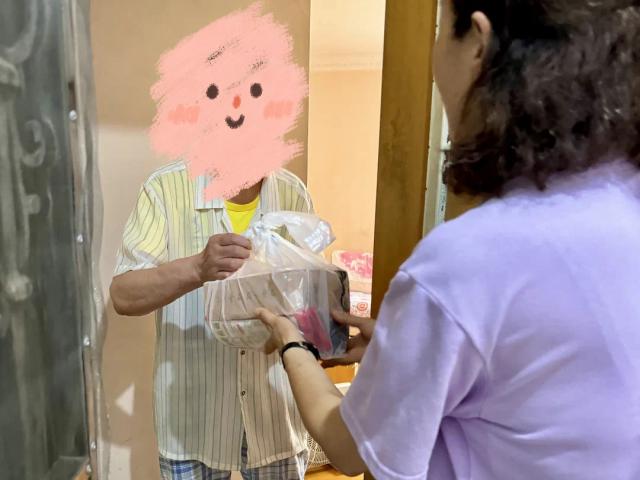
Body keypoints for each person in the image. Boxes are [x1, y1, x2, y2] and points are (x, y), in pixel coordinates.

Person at [255, 0, 640, 478]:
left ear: (477, 42)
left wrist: (292, 342)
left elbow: (348, 449)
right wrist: (406, 349)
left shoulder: (469, 261)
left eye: (439, 31)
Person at [110, 166, 314, 480]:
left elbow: (311, 294)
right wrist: (197, 268)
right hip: (192, 418)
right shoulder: (165, 188)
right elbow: (123, 295)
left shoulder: (293, 193)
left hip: (275, 412)